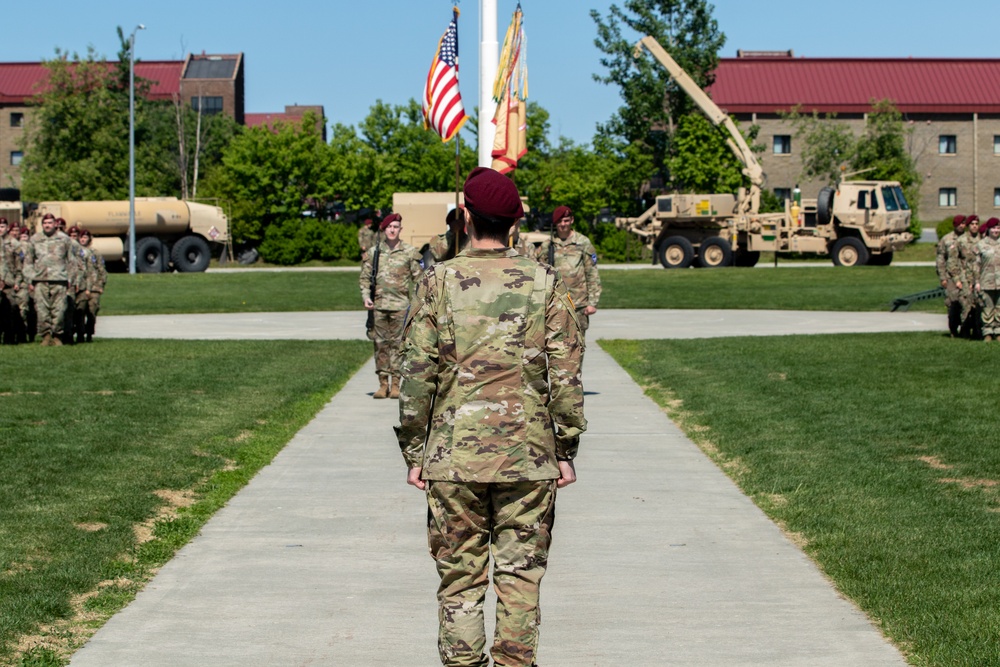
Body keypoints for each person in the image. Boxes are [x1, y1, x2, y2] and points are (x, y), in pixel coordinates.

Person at [396, 167, 586, 667]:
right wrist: (565, 449)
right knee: (520, 577)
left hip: (453, 455)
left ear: (465, 218)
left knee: (461, 577)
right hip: (528, 455)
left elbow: (415, 375)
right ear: (516, 224)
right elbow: (567, 374)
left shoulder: (437, 281)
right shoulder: (544, 282)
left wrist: (415, 451)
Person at [359, 213, 423, 398]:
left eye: (396, 226)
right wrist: (365, 296)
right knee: (380, 346)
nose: (392, 230)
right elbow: (364, 278)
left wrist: (418, 303)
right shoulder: (374, 252)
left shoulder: (410, 252)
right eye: (389, 227)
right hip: (378, 306)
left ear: (400, 229)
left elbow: (419, 279)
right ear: (384, 229)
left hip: (401, 306)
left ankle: (396, 383)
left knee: (398, 346)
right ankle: (382, 383)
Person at [535, 205, 602, 337]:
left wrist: (593, 302)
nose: (563, 224)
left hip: (578, 303)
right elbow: (540, 273)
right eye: (560, 221)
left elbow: (592, 272)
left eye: (566, 220)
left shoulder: (583, 243)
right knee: (556, 344)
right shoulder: (548, 245)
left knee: (577, 345)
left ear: (572, 220)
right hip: (555, 303)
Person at [25, 212, 79, 346]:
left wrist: (71, 279)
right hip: (40, 280)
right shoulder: (35, 239)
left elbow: (71, 261)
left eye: (50, 223)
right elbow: (28, 261)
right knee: (42, 310)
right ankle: (46, 336)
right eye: (45, 223)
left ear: (55, 224)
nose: (47, 225)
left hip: (59, 279)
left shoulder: (64, 239)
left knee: (59, 310)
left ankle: (57, 336)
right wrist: (30, 279)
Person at [951, 214, 982, 338]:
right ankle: (965, 331)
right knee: (966, 305)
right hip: (964, 277)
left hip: (978, 277)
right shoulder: (961, 241)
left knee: (978, 304)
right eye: (972, 224)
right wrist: (956, 279)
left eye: (976, 224)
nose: (974, 226)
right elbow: (952, 261)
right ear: (968, 226)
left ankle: (976, 331)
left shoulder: (982, 240)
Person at [74, 228, 106, 343]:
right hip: (82, 286)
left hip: (94, 288)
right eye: (81, 237)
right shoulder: (77, 252)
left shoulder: (95, 253)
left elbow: (102, 270)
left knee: (92, 312)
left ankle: (89, 334)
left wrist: (100, 285)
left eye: (85, 237)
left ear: (90, 239)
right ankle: (80, 334)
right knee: (80, 311)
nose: (83, 239)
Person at [936, 215, 966, 337]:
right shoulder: (946, 239)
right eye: (959, 223)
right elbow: (940, 259)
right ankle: (953, 330)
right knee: (952, 304)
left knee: (967, 303)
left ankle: (966, 330)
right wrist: (943, 277)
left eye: (963, 223)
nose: (961, 226)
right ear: (954, 225)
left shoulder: (968, 239)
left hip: (965, 276)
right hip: (950, 277)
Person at [973, 217, 1000, 341]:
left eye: (998, 228)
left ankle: (998, 332)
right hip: (986, 281)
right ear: (988, 229)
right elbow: (976, 265)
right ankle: (988, 332)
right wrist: (977, 282)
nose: (996, 230)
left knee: (999, 308)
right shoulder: (981, 244)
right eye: (994, 228)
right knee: (988, 308)